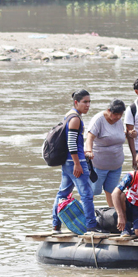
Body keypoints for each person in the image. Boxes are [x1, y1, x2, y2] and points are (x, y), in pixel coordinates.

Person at [51, 90, 100, 233]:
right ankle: (91, 226)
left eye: (89, 102)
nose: (88, 105)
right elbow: (71, 143)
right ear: (76, 102)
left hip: (67, 162)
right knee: (87, 194)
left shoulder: (68, 116)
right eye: (85, 102)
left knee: (63, 193)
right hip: (74, 162)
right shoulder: (75, 119)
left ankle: (56, 225)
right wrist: (78, 163)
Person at [86, 99, 126, 207]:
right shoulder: (99, 120)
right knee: (91, 191)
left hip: (116, 166)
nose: (118, 117)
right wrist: (89, 151)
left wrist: (129, 134)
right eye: (115, 114)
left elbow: (117, 135)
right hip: (98, 166)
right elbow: (89, 138)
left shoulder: (119, 121)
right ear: (109, 110)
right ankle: (88, 217)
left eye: (120, 115)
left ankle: (113, 216)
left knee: (113, 192)